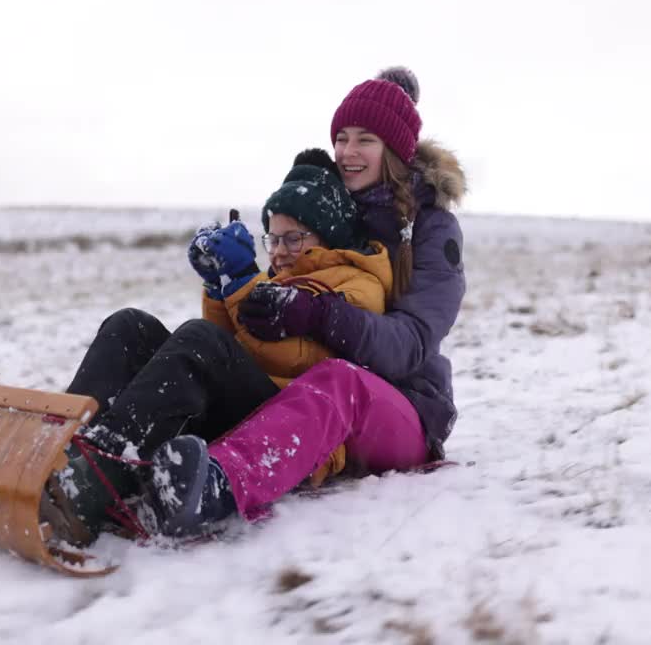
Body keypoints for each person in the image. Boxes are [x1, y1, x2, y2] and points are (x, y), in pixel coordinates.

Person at [144, 66, 469, 537]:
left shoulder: (433, 230)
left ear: (395, 150)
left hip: (406, 409)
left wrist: (321, 315)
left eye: (365, 140)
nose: (347, 153)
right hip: (310, 386)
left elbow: (411, 343)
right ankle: (95, 454)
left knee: (341, 381)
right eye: (341, 137)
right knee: (174, 341)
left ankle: (217, 486)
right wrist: (233, 283)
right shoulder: (332, 206)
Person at [39, 151, 393, 545]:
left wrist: (242, 282)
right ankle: (64, 450)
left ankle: (97, 480)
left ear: (326, 236)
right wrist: (217, 285)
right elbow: (234, 343)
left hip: (280, 423)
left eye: (293, 238)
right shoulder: (281, 277)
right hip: (246, 401)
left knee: (200, 342)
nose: (277, 251)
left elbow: (299, 356)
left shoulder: (358, 287)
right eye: (272, 238)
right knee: (130, 325)